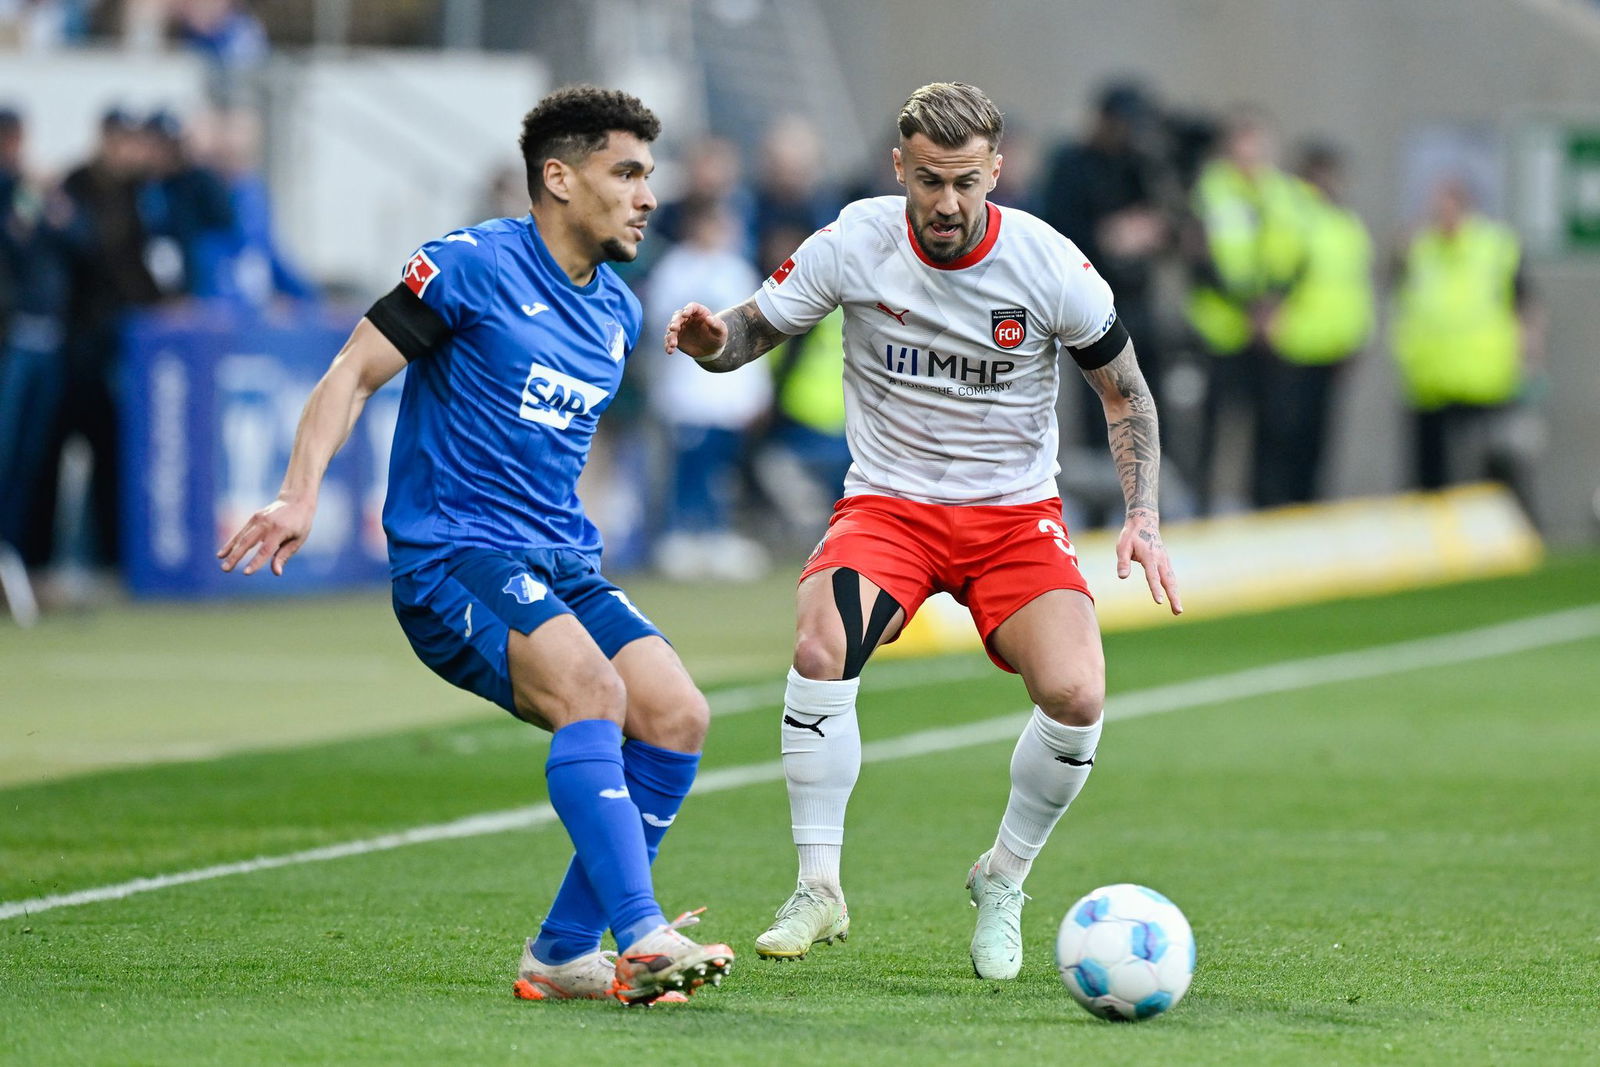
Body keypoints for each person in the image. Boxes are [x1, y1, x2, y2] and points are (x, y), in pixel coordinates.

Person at [216, 85, 733, 1006]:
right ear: (559, 179)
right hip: (453, 556)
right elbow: (349, 375)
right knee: (594, 688)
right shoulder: (467, 266)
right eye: (627, 173)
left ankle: (564, 951)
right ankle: (643, 932)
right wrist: (300, 493)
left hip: (558, 561)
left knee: (677, 714)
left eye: (651, 175)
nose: (648, 194)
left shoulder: (616, 312)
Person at [665, 82, 1182, 980]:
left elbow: (1125, 389)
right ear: (899, 167)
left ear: (997, 171)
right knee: (821, 647)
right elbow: (751, 331)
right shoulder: (855, 239)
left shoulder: (1049, 263)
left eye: (967, 182)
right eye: (930, 181)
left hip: (1014, 516)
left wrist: (1143, 516)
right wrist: (712, 340)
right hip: (890, 507)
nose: (947, 204)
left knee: (1077, 694)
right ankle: (819, 886)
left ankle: (1003, 877)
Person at [1389, 176, 1541, 514]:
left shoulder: (1495, 246)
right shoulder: (1419, 248)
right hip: (1430, 380)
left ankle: (1512, 532)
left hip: (1486, 378)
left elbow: (1525, 305)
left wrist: (1529, 359)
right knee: (1431, 477)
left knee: (1498, 468)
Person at [642, 194, 770, 580]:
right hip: (689, 395)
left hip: (728, 398)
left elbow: (757, 332)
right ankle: (680, 538)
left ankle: (715, 537)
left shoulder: (737, 270)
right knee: (689, 470)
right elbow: (658, 330)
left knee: (720, 472)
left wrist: (756, 393)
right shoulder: (676, 270)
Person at [1184, 107, 1306, 513]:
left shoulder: (1283, 193)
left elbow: (1297, 256)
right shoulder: (1210, 191)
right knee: (1213, 426)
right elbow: (1200, 262)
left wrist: (1272, 304)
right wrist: (1247, 307)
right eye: (1243, 143)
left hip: (1270, 330)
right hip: (1221, 328)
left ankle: (1265, 505)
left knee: (1272, 424)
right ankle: (1201, 505)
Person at [1255, 142, 1374, 506]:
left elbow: (1353, 284)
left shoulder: (1343, 221)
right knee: (1284, 437)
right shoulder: (1293, 213)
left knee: (1316, 440)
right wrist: (1268, 315)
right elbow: (1276, 268)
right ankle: (1276, 509)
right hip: (1294, 342)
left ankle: (1307, 507)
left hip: (1331, 346)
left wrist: (1357, 336)